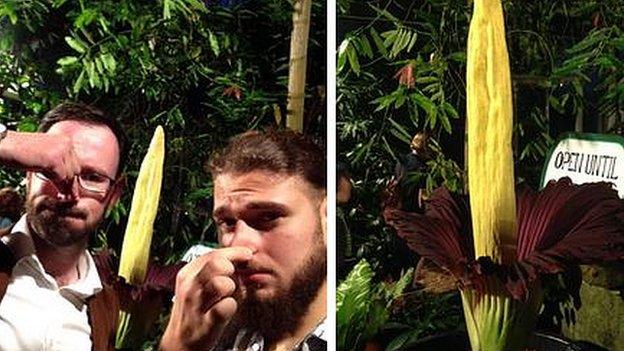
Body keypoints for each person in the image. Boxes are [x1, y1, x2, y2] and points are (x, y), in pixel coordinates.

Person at [160, 130, 327, 351]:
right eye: (228, 222)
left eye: (268, 217)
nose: (240, 245)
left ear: (327, 219)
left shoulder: (353, 332)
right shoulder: (217, 329)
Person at [0, 102, 127, 350]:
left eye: (93, 177)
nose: (68, 192)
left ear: (113, 195)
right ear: (28, 175)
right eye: (50, 170)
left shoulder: (105, 303)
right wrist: (5, 141)